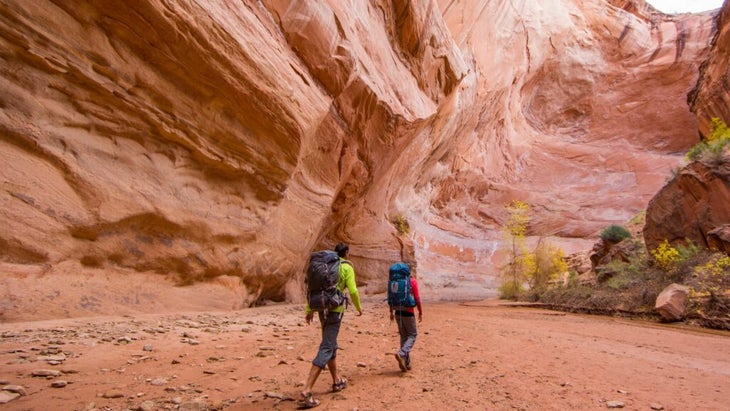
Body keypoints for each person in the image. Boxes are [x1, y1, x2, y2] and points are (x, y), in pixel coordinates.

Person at [299, 242, 363, 409]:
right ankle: (307, 390)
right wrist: (358, 308)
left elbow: (312, 289)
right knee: (327, 346)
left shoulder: (327, 266)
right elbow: (354, 291)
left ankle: (336, 381)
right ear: (347, 253)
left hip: (321, 307)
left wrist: (309, 309)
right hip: (335, 310)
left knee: (331, 342)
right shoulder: (347, 268)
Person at [389, 263, 422, 372]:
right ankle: (402, 353)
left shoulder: (395, 281)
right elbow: (417, 298)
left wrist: (391, 312)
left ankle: (406, 363)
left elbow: (391, 296)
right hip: (408, 312)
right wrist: (420, 312)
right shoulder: (412, 282)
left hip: (397, 311)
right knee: (412, 335)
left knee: (403, 336)